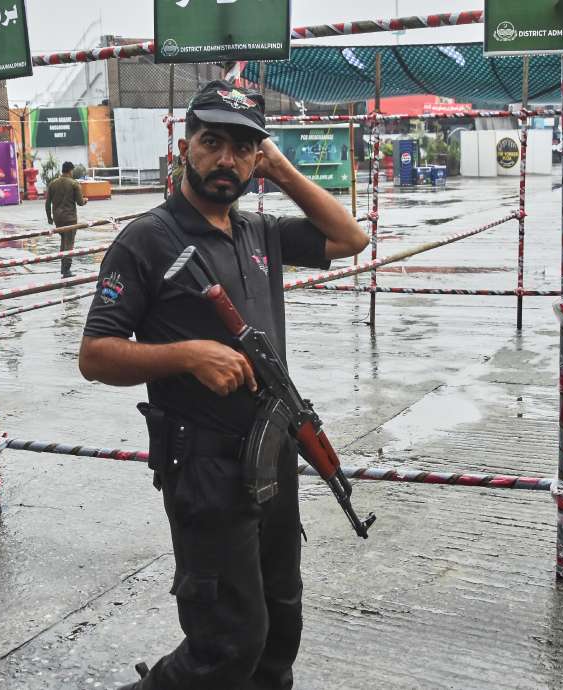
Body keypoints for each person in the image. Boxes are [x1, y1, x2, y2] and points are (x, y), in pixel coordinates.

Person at [79, 80, 369, 690]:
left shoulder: (257, 231)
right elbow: (95, 356)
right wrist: (186, 356)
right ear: (186, 145)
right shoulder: (148, 239)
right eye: (212, 143)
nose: (226, 160)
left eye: (243, 148)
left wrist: (282, 168)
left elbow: (350, 238)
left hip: (273, 459)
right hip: (205, 467)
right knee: (227, 643)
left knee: (279, 629)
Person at [44, 161, 87, 277]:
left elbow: (47, 203)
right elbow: (80, 202)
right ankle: (66, 270)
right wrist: (85, 200)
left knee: (64, 242)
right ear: (70, 170)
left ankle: (64, 268)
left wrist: (49, 218)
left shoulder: (53, 183)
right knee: (69, 244)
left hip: (58, 219)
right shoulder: (74, 184)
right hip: (70, 219)